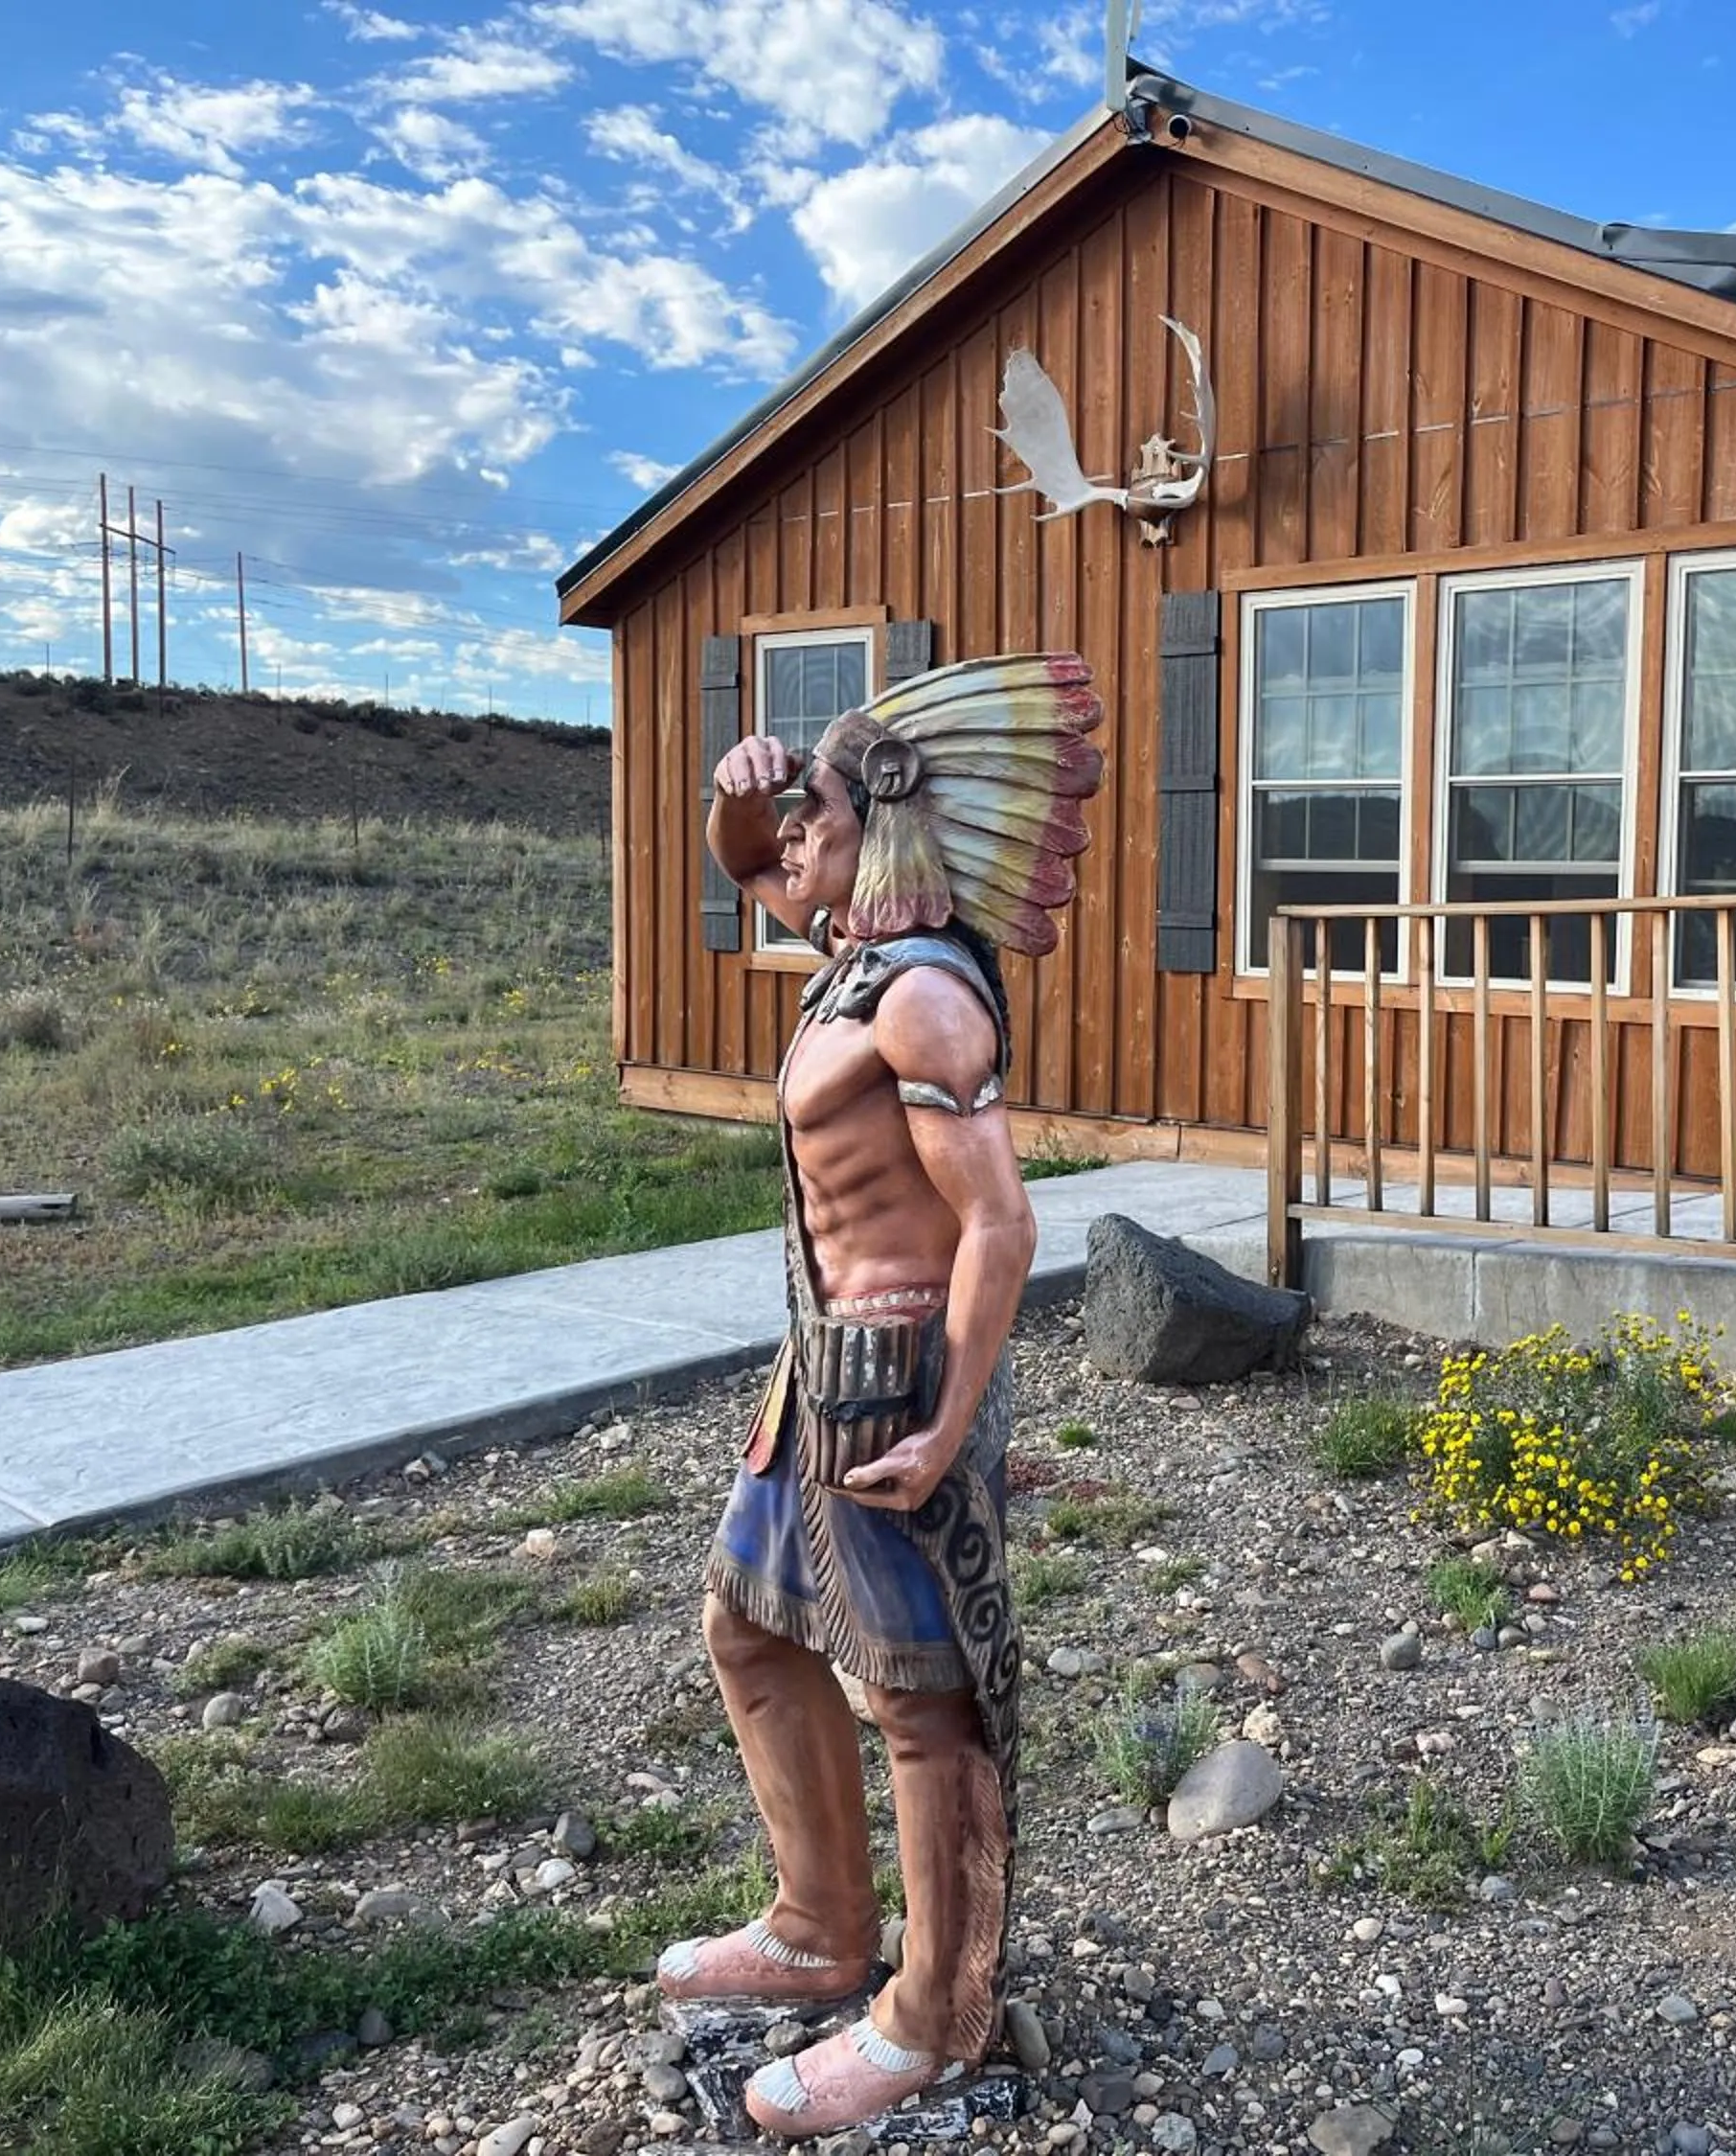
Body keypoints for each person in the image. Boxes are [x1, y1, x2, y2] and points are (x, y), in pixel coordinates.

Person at [654, 654, 1103, 2138]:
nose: (793, 844)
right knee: (748, 1624)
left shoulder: (923, 1001)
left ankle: (932, 2016)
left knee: (923, 1698)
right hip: (816, 1362)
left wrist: (952, 1419)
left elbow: (1002, 1226)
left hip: (897, 1371)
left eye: (817, 816)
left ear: (887, 827)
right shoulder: (850, 959)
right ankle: (818, 1921)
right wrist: (742, 798)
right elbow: (755, 878)